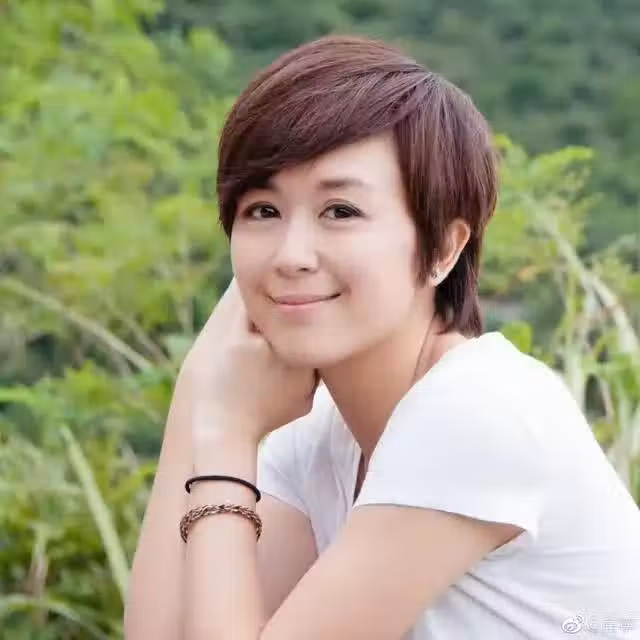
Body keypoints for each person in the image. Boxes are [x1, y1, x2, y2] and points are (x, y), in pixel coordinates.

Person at [125, 35, 640, 640]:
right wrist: (199, 395)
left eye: (340, 211)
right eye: (262, 210)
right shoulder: (320, 438)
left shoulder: (475, 410)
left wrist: (227, 437)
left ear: (444, 248)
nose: (291, 255)